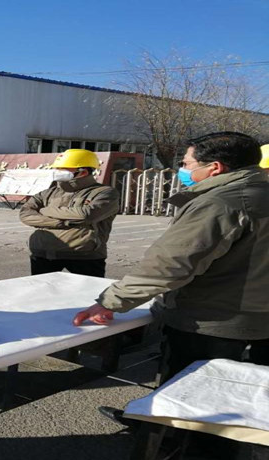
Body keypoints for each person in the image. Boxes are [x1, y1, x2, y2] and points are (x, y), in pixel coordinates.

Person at [73, 133, 269, 455]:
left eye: (187, 163)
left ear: (215, 167)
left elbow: (168, 266)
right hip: (257, 321)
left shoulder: (220, 203)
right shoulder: (260, 193)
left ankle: (177, 444)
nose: (183, 169)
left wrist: (110, 302)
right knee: (240, 406)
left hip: (211, 324)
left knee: (196, 407)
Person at [19, 149, 120, 278]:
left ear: (83, 172)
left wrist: (44, 210)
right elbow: (25, 214)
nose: (57, 171)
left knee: (89, 290)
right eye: (57, 168)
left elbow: (86, 215)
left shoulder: (105, 193)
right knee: (42, 290)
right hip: (42, 253)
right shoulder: (47, 193)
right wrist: (64, 222)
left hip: (84, 255)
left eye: (62, 169)